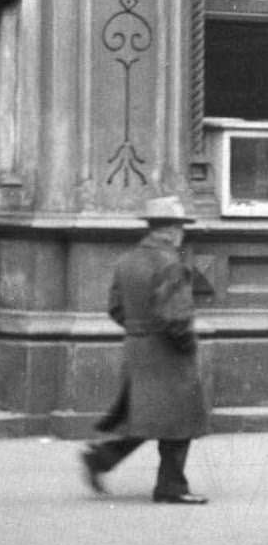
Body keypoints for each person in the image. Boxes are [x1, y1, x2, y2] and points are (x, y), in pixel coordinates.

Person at [79, 194, 210, 504]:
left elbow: (114, 308)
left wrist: (139, 330)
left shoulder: (127, 261)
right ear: (172, 229)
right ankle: (171, 487)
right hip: (169, 353)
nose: (182, 233)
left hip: (138, 349)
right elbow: (176, 317)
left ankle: (100, 459)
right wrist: (187, 346)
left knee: (145, 415)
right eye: (181, 227)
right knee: (180, 421)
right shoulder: (171, 264)